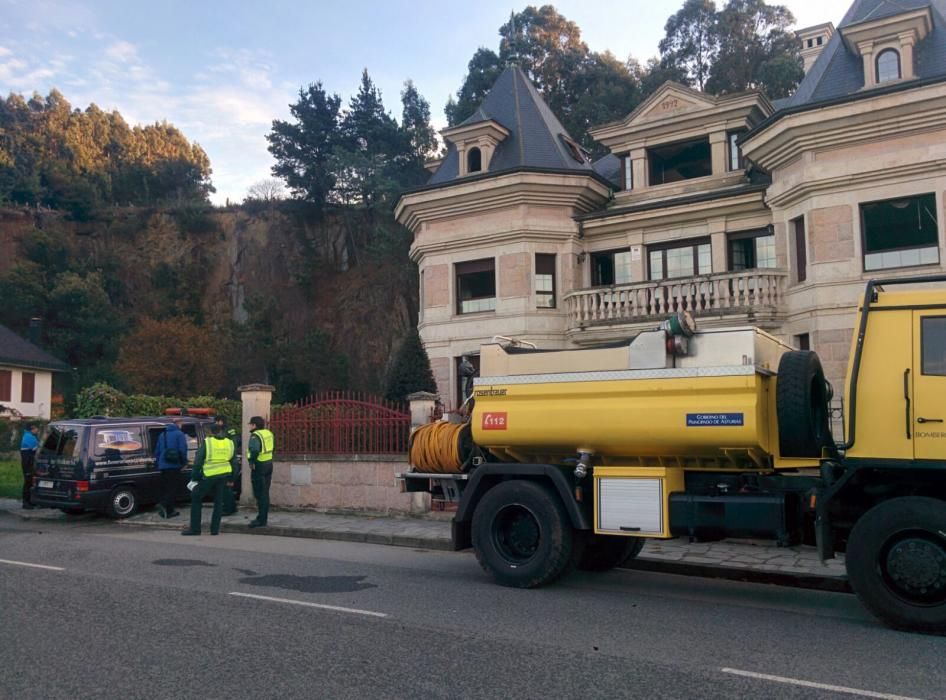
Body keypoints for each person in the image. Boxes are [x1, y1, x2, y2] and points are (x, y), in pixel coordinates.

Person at [181, 423, 234, 536]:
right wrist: (232, 478)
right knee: (218, 502)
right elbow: (233, 461)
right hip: (224, 475)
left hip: (209, 475)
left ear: (210, 432)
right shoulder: (229, 442)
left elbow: (198, 461)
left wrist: (195, 477)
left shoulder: (208, 442)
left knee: (196, 496)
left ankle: (195, 529)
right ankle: (214, 530)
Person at [154, 419, 188, 518]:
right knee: (173, 489)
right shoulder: (180, 434)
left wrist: (158, 463)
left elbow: (157, 451)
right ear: (178, 424)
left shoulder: (162, 434)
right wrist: (184, 463)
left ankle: (169, 512)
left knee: (166, 488)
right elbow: (182, 450)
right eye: (181, 424)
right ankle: (163, 504)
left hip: (163, 465)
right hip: (174, 465)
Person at [247, 416, 274, 528]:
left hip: (259, 466)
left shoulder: (255, 436)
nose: (249, 426)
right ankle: (263, 517)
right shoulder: (268, 433)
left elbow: (254, 450)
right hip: (268, 464)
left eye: (250, 424)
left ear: (254, 425)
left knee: (260, 494)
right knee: (265, 493)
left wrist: (251, 461)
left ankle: (261, 520)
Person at [217, 416, 241, 516]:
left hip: (228, 460)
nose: (216, 424)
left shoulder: (227, 431)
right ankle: (231, 507)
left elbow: (232, 445)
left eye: (217, 422)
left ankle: (228, 509)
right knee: (227, 487)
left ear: (221, 421)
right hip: (229, 459)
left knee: (226, 486)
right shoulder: (228, 430)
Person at [19, 424, 39, 510]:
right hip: (27, 464)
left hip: (28, 463)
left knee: (30, 482)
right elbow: (37, 449)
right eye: (36, 428)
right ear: (32, 429)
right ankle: (25, 502)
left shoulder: (28, 436)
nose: (37, 430)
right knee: (28, 482)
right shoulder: (29, 437)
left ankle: (30, 501)